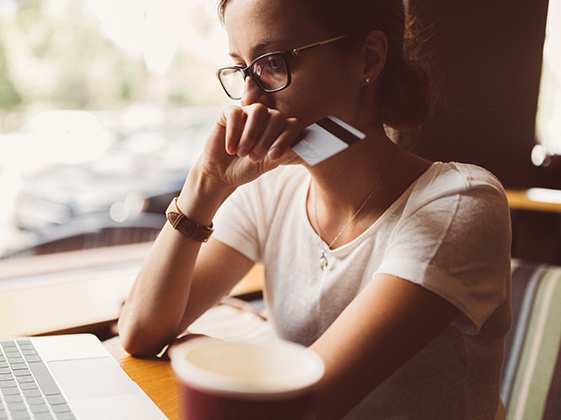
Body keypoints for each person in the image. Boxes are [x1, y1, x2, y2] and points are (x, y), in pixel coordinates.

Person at [117, 0, 512, 418]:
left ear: (368, 58)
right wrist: (206, 184)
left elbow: (300, 405)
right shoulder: (273, 189)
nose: (250, 100)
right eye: (242, 69)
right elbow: (140, 332)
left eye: (273, 63)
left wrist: (194, 348)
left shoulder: (459, 203)